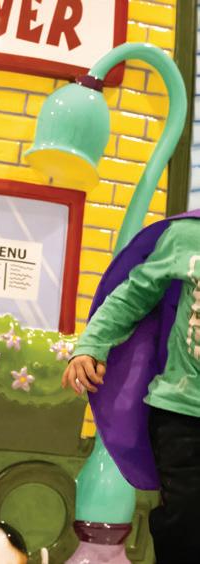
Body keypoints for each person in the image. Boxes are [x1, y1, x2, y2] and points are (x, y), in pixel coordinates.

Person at [62, 210, 200, 563]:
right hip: (182, 408)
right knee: (186, 519)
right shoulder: (187, 234)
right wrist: (92, 344)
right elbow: (134, 294)